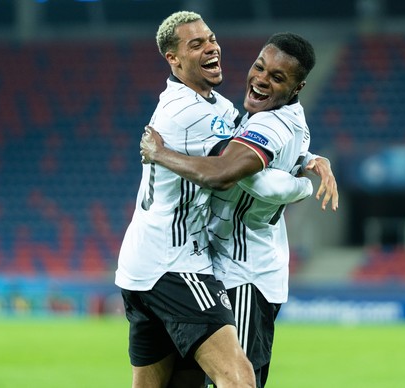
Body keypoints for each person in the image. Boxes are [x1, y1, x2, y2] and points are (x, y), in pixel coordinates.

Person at [140, 32, 338, 387]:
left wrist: (160, 153)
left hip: (244, 276)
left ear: (297, 87)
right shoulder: (277, 116)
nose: (261, 79)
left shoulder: (270, 123)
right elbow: (273, 162)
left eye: (277, 77)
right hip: (225, 270)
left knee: (237, 382)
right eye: (260, 67)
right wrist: (311, 161)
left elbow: (230, 174)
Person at [115, 11, 260, 388]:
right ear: (173, 59)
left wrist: (307, 156)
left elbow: (244, 130)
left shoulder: (209, 104)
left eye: (211, 38)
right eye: (196, 44)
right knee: (239, 379)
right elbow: (233, 170)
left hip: (141, 264)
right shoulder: (188, 113)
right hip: (175, 265)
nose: (211, 47)